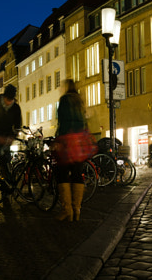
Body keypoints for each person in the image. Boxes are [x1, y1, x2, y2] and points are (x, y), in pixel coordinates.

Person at [55, 78, 90, 222]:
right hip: (80, 143)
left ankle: (67, 210)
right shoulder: (80, 101)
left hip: (67, 142)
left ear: (66, 87)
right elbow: (84, 121)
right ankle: (77, 210)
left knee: (61, 173)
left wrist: (58, 139)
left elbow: (62, 121)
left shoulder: (64, 100)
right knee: (77, 174)